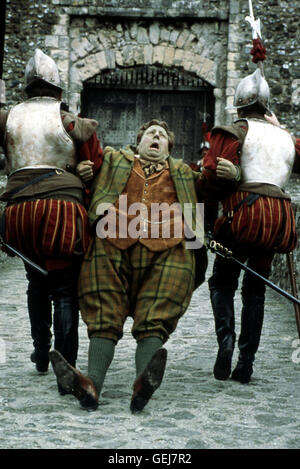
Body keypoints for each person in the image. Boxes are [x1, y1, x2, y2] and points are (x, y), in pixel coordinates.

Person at [49, 118, 211, 412]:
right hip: (112, 242)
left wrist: (231, 171)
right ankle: (91, 382)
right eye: (151, 133)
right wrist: (80, 171)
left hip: (168, 249)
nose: (156, 136)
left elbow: (213, 187)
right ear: (139, 141)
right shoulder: (113, 160)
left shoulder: (185, 173)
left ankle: (142, 383)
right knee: (103, 309)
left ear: (168, 147)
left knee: (156, 313)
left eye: (162, 135)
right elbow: (78, 158)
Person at [0, 49, 103, 391]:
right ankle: (68, 369)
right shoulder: (69, 121)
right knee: (63, 289)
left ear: (26, 88)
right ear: (59, 90)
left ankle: (42, 352)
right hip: (60, 211)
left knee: (36, 280)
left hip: (17, 215)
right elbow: (96, 163)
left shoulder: (7, 118)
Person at [200, 66, 300, 384]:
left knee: (222, 282)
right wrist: (281, 128)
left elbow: (212, 177)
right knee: (255, 291)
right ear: (267, 106)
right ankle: (246, 362)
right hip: (278, 218)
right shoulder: (288, 140)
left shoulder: (235, 132)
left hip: (243, 215)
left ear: (239, 104)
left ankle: (227, 342)